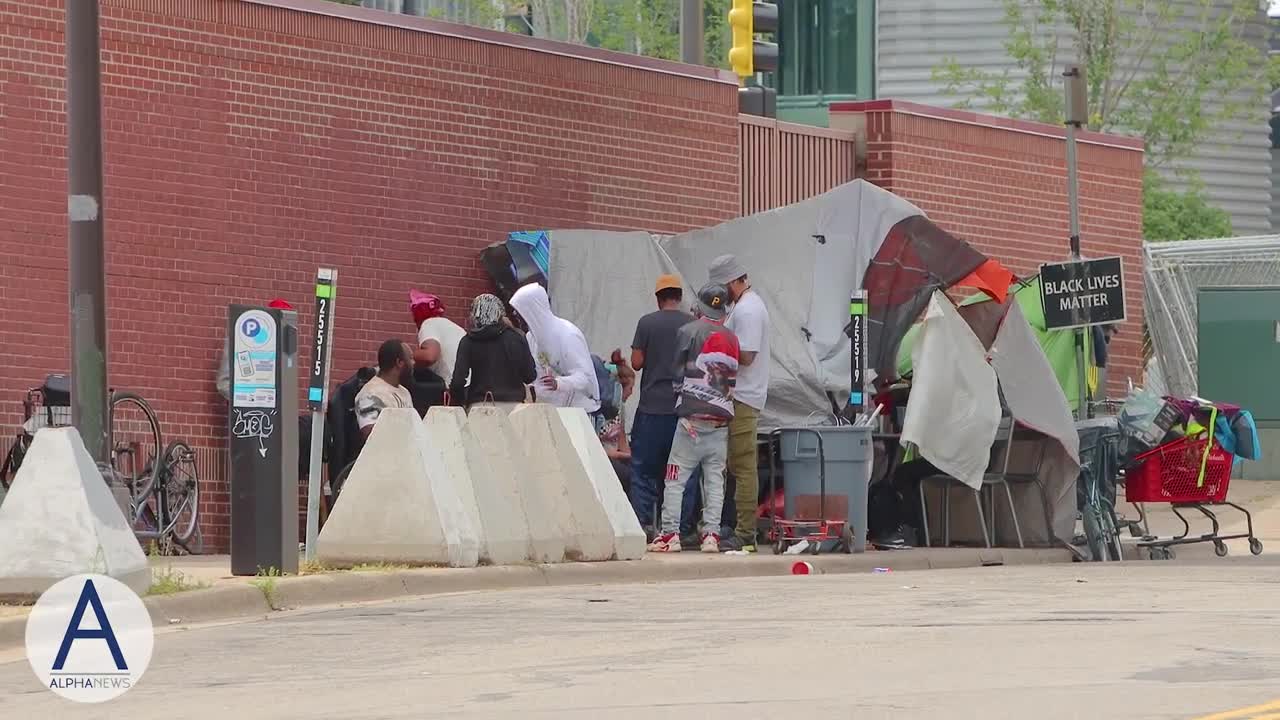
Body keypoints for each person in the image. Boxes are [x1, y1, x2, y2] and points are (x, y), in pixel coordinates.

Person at [650, 283, 740, 554]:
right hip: (721, 419)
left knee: (675, 478)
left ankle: (670, 535)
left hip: (691, 418)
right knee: (715, 480)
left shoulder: (687, 331)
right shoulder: (732, 338)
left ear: (699, 306)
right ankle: (711, 534)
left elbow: (677, 373)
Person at [709, 254, 770, 553]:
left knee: (743, 466)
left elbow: (746, 355)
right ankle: (731, 525)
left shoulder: (748, 311)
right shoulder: (743, 308)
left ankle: (746, 533)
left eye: (722, 287)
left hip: (744, 396)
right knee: (732, 465)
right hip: (737, 396)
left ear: (733, 281)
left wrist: (718, 343)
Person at [627, 274, 695, 539]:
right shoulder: (692, 325)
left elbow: (636, 362)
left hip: (652, 409)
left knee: (643, 469)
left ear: (658, 298)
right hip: (683, 409)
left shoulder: (647, 323)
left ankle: (644, 525)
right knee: (682, 471)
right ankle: (683, 528)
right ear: (679, 297)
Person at [508, 283, 600, 418]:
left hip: (580, 412)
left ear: (532, 311)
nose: (516, 315)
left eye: (520, 311)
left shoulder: (568, 335)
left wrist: (559, 383)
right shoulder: (531, 338)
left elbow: (585, 377)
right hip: (550, 412)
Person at [450, 294, 537, 410]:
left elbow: (457, 382)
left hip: (480, 406)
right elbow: (530, 376)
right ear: (500, 313)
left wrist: (461, 401)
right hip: (515, 407)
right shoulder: (516, 337)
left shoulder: (468, 341)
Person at [216, 298, 293, 401]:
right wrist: (246, 401)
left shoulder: (285, 350)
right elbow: (224, 383)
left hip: (274, 411)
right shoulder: (242, 341)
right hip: (245, 410)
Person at [354, 339, 415, 438]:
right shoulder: (370, 394)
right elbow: (372, 436)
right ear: (399, 362)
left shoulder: (404, 392)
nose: (414, 363)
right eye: (411, 358)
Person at [410, 290, 465, 389]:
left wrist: (408, 356)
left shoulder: (428, 323)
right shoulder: (454, 327)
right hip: (468, 387)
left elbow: (430, 356)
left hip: (451, 389)